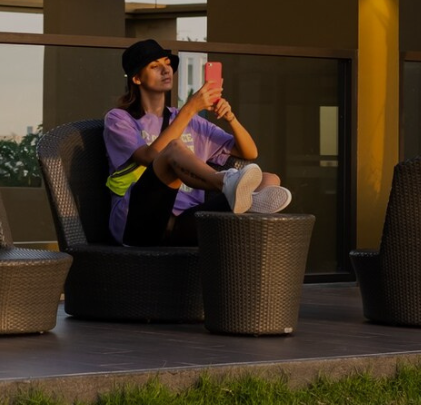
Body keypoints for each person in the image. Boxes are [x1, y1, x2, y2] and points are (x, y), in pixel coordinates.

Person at [105, 38, 292, 248]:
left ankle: (238, 193)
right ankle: (226, 183)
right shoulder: (119, 119)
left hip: (185, 224)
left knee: (270, 179)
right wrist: (190, 108)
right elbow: (149, 156)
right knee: (174, 148)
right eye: (155, 66)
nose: (166, 70)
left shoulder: (193, 122)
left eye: (167, 63)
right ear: (137, 78)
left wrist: (230, 118)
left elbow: (249, 153)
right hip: (138, 221)